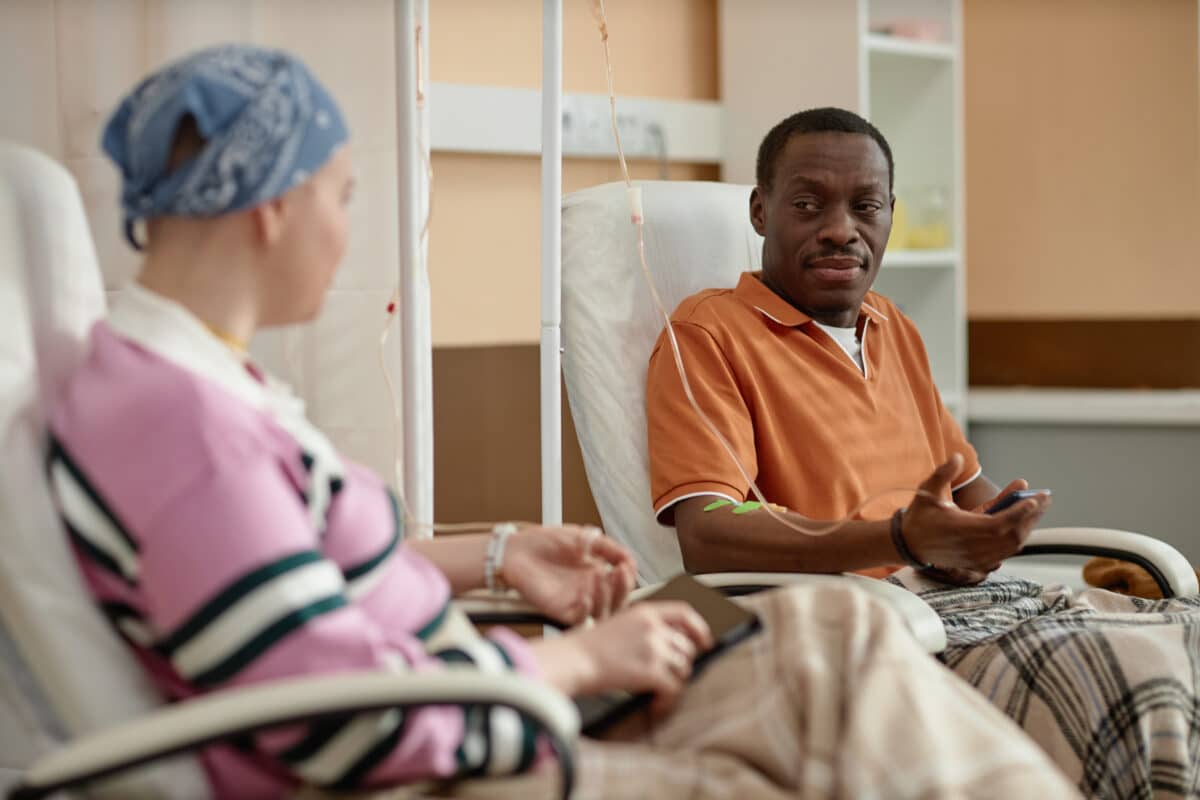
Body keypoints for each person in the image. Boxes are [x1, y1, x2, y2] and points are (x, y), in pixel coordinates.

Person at [47, 48, 1077, 799]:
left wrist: (494, 553)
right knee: (841, 668)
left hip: (477, 702)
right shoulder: (182, 430)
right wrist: (582, 662)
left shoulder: (191, 389)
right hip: (450, 751)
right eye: (346, 194)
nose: (351, 230)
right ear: (273, 208)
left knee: (838, 637)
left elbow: (298, 582)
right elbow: (335, 715)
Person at [646, 106, 1200, 797]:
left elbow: (963, 488)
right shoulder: (708, 336)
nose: (840, 230)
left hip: (979, 602)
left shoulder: (892, 325)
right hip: (877, 630)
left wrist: (999, 522)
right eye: (809, 204)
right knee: (1136, 684)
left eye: (865, 206)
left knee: (1188, 641)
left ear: (890, 215)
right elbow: (706, 534)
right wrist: (901, 540)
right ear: (761, 211)